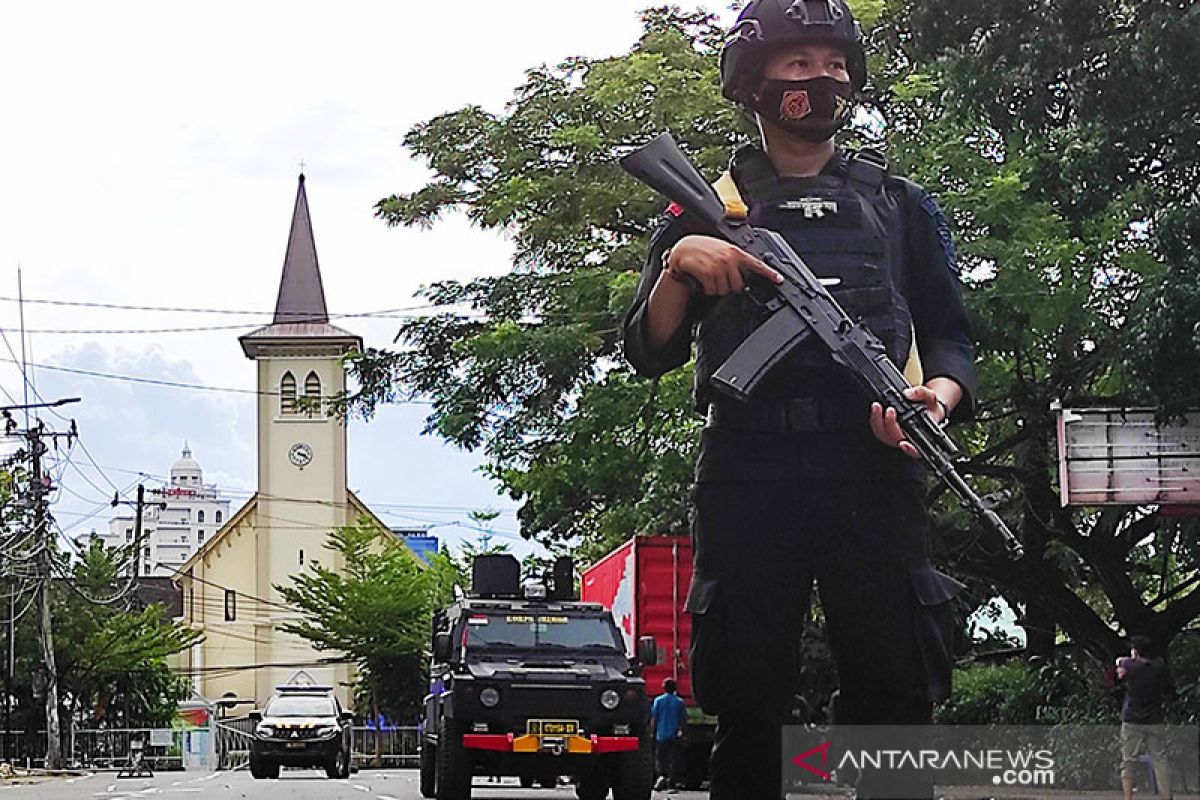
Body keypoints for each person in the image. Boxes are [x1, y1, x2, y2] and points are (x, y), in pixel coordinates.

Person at [621, 1, 977, 797]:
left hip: (875, 468)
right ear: (755, 81)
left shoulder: (897, 202)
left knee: (894, 695)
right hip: (749, 472)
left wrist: (936, 400)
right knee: (748, 703)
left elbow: (952, 337)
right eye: (800, 63)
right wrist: (682, 262)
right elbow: (648, 351)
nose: (826, 79)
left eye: (836, 63)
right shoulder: (703, 203)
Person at [1116, 635, 1174, 800]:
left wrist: (1126, 663)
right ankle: (1166, 796)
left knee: (1128, 761)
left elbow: (1120, 661)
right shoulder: (1159, 666)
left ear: (1137, 652)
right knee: (1160, 759)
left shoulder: (1130, 667)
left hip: (1132, 719)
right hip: (1155, 719)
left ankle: (1128, 798)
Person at [650, 678, 687, 791]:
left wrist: (652, 732)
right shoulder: (679, 702)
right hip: (675, 735)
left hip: (661, 735)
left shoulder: (658, 701)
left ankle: (661, 776)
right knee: (673, 759)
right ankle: (671, 782)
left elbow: (654, 718)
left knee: (660, 758)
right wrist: (682, 732)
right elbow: (683, 719)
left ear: (664, 688)